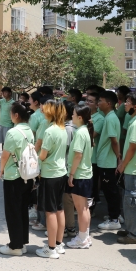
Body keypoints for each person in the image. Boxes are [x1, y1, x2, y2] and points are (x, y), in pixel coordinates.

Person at [0, 103, 35, 255]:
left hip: (13, 175)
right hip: (27, 175)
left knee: (12, 211)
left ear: (16, 115)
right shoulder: (29, 131)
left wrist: (1, 170)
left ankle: (15, 246)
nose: (10, 116)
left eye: (11, 113)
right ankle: (22, 242)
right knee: (22, 210)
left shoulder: (13, 132)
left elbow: (5, 155)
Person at [35, 100, 68, 259]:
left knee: (50, 212)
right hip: (61, 173)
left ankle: (51, 248)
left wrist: (35, 158)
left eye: (45, 109)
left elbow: (43, 154)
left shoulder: (50, 131)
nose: (43, 111)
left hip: (50, 175)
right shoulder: (62, 129)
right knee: (59, 209)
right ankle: (59, 244)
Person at [115, 91, 136, 244]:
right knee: (131, 201)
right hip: (133, 168)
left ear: (135, 106)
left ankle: (135, 234)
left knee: (134, 202)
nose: (125, 104)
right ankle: (131, 229)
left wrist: (122, 164)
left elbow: (132, 148)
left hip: (133, 169)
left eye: (128, 102)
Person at [66, 104, 94, 249]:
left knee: (81, 208)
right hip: (86, 174)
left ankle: (82, 238)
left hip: (79, 174)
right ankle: (85, 236)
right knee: (85, 207)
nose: (72, 116)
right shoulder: (85, 131)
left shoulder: (80, 132)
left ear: (80, 117)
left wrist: (71, 174)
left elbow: (78, 155)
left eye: (74, 114)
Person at [96, 91, 122, 231]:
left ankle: (114, 219)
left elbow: (114, 141)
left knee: (110, 191)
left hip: (108, 161)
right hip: (106, 160)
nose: (98, 103)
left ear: (109, 103)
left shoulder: (110, 118)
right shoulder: (109, 117)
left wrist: (118, 158)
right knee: (110, 190)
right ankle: (115, 215)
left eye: (101, 101)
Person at [29, 91, 48, 230]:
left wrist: (32, 157)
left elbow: (38, 141)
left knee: (40, 191)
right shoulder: (60, 125)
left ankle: (42, 221)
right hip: (56, 166)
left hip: (43, 162)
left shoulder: (43, 121)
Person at [86, 92, 104, 209]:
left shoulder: (99, 119)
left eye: (91, 101)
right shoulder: (84, 115)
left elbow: (92, 135)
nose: (87, 103)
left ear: (97, 105)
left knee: (91, 186)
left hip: (93, 157)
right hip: (83, 156)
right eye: (87, 100)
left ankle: (91, 210)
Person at [62, 100, 78, 236]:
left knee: (67, 199)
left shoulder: (68, 129)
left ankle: (69, 227)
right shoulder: (77, 127)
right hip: (74, 167)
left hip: (68, 168)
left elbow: (64, 150)